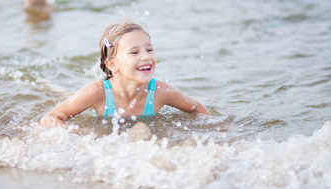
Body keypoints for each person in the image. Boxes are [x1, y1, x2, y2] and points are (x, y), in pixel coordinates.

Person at [40, 20, 211, 129]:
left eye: (149, 49)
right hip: (100, 106)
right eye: (134, 52)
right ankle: (47, 84)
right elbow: (49, 118)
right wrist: (80, 132)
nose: (146, 56)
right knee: (62, 93)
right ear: (113, 65)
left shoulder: (160, 92)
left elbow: (197, 108)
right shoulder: (97, 93)